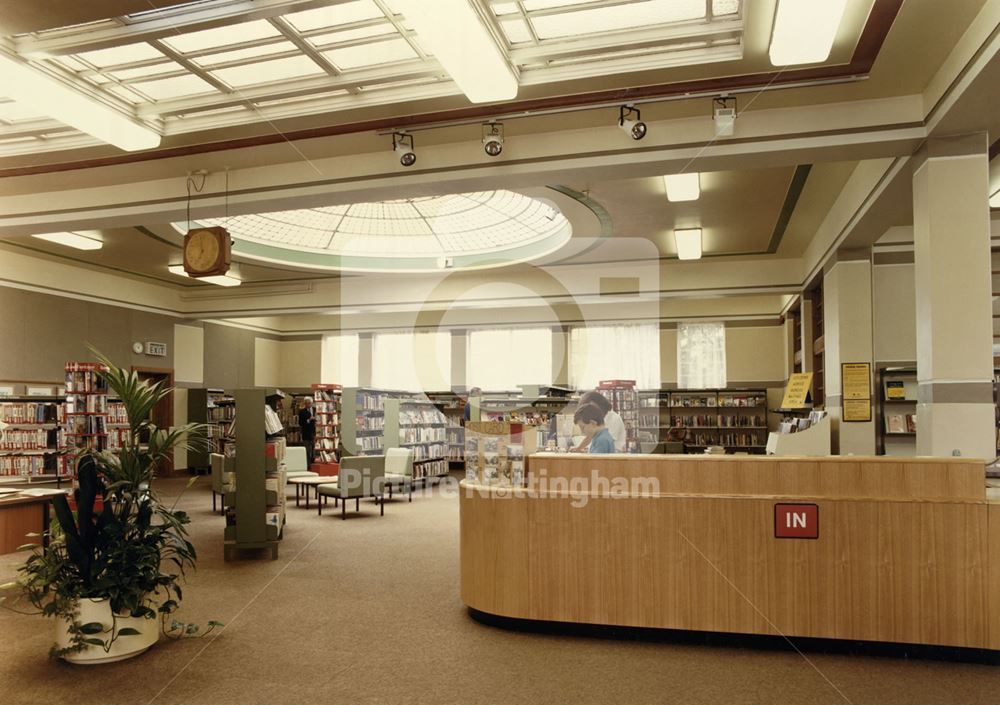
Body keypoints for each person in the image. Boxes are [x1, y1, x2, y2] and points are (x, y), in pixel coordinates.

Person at [298, 396, 316, 466]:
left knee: (314, 450)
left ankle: (313, 464)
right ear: (304, 404)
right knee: (307, 450)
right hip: (306, 434)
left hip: (315, 433)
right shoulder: (302, 412)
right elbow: (300, 423)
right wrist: (309, 420)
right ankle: (308, 465)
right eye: (306, 403)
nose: (308, 405)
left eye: (309, 403)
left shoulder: (316, 410)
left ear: (312, 403)